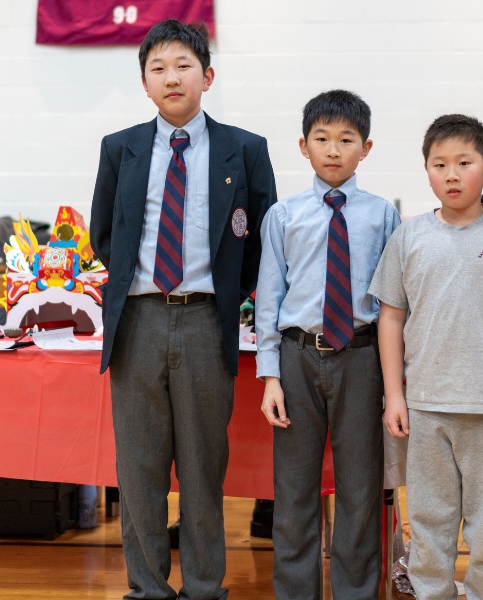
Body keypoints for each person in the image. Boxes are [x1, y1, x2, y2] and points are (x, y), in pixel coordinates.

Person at [89, 19, 277, 600]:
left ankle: (204, 588)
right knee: (139, 469)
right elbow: (103, 236)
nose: (171, 77)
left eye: (183, 66)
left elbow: (261, 244)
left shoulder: (244, 149)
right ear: (144, 83)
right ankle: (146, 588)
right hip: (138, 322)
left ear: (208, 76)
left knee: (202, 469)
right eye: (158, 69)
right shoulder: (119, 148)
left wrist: (225, 298)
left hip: (204, 321)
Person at [370, 114, 483, 599]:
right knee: (430, 524)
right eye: (440, 164)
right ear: (426, 170)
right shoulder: (408, 238)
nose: (452, 174)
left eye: (464, 163)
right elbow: (390, 319)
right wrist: (394, 395)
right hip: (427, 407)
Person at [256, 89, 400, 599]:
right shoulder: (284, 215)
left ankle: (357, 592)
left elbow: (393, 306)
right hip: (296, 358)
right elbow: (270, 299)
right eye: (322, 139)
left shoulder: (383, 217)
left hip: (361, 360)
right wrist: (270, 376)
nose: (334, 150)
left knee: (360, 490)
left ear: (367, 147)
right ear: (303, 145)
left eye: (346, 139)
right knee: (294, 493)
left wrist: (394, 380)